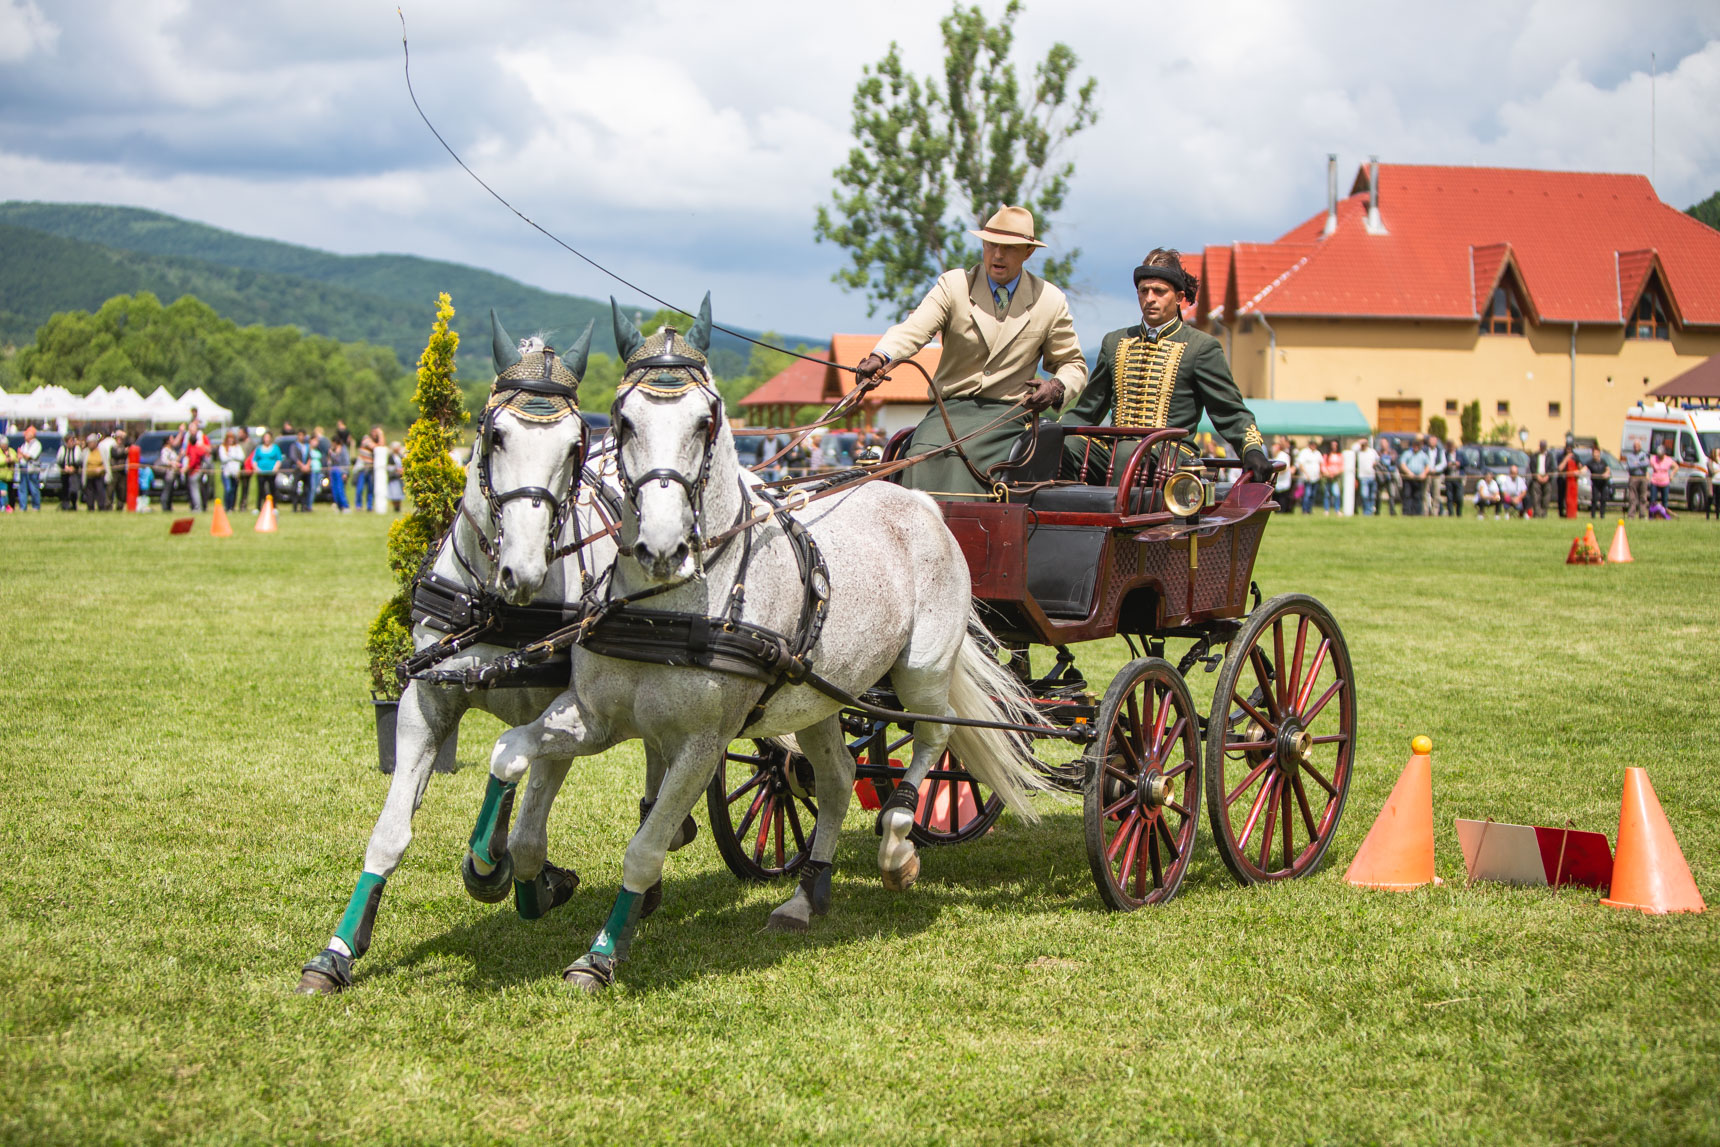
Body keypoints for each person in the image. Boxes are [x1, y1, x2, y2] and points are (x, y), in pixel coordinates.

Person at [852, 205, 1088, 496]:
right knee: (923, 455)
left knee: (960, 458)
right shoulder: (954, 285)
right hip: (949, 412)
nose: (997, 255)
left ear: (1028, 252)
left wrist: (1056, 387)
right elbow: (914, 329)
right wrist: (881, 356)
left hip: (1009, 415)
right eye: (990, 244)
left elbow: (1074, 365)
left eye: (1009, 247)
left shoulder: (1050, 300)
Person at [1057, 249, 1270, 488]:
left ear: (1178, 297)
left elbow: (1229, 411)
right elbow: (1088, 410)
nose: (1150, 298)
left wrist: (1252, 448)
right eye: (1143, 291)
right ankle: (1068, 520)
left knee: (1129, 452)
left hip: (1173, 455)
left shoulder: (1201, 347)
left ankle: (1120, 526)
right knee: (1065, 447)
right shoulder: (1114, 342)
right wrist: (1052, 434)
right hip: (1118, 450)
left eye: (1159, 291)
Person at [251, 431, 282, 509]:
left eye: (268, 437)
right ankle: (259, 507)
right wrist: (256, 468)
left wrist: (275, 468)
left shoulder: (275, 448)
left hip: (271, 472)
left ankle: (273, 506)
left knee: (272, 489)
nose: (267, 439)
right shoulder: (259, 448)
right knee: (260, 490)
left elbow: (279, 459)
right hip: (261, 472)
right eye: (265, 437)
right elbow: (254, 460)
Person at [15, 425, 43, 511]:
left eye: (26, 434)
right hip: (23, 467)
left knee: (34, 488)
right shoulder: (25, 444)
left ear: (31, 435)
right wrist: (20, 455)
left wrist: (21, 453)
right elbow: (21, 456)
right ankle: (23, 507)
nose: (24, 436)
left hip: (33, 469)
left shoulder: (36, 444)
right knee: (22, 488)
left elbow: (29, 456)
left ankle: (36, 506)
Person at [1399, 437, 1429, 515]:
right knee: (1407, 495)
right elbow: (1402, 464)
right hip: (1408, 478)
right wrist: (1409, 472)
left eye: (1418, 445)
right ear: (1412, 445)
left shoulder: (1423, 455)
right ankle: (1406, 513)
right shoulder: (1407, 453)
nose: (1416, 447)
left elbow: (1427, 466)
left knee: (1417, 496)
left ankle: (1417, 513)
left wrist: (1424, 474)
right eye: (1415, 445)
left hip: (1419, 479)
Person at [82, 431, 110, 511]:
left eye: (91, 442)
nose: (90, 444)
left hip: (99, 476)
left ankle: (101, 507)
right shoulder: (86, 452)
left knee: (100, 492)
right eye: (89, 443)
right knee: (89, 493)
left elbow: (106, 462)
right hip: (89, 476)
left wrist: (101, 468)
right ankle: (90, 507)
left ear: (95, 443)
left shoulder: (101, 450)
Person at [1622, 441, 1650, 519]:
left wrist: (1636, 463)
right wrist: (1640, 463)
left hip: (1643, 477)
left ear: (1640, 446)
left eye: (1638, 445)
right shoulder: (1630, 456)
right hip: (1633, 477)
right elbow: (1630, 466)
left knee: (1643, 497)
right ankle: (1631, 515)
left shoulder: (1644, 454)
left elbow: (1647, 463)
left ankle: (1642, 515)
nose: (1636, 447)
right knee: (1632, 497)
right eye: (1635, 446)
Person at [56, 432, 84, 511]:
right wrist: (64, 467)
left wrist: (73, 467)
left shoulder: (77, 449)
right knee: (65, 489)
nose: (72, 443)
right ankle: (65, 505)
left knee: (73, 490)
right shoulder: (62, 449)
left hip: (74, 472)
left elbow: (79, 460)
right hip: (65, 472)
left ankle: (74, 504)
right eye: (70, 441)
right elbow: (59, 460)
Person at [218, 430, 244, 509]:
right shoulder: (223, 447)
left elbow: (242, 457)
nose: (230, 440)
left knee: (234, 489)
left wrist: (231, 456)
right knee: (228, 489)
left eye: (232, 438)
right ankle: (227, 506)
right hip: (226, 472)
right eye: (229, 438)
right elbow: (223, 459)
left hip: (235, 472)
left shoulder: (237, 447)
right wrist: (232, 457)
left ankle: (232, 507)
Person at [158, 431, 184, 511]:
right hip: (168, 474)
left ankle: (169, 506)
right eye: (172, 439)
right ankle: (164, 506)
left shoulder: (171, 450)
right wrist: (171, 463)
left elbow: (175, 460)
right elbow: (164, 461)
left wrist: (180, 455)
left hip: (173, 474)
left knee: (171, 491)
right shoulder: (165, 450)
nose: (173, 440)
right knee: (167, 490)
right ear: (168, 441)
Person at [1294, 440, 1322, 513]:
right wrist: (1306, 474)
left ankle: (1309, 509)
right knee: (1307, 494)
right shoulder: (1304, 452)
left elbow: (1321, 463)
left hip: (1315, 477)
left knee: (1312, 495)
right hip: (1307, 478)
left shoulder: (1317, 453)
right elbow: (1300, 464)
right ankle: (1305, 510)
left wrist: (1320, 473)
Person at [1647, 443, 1676, 516]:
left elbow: (1676, 467)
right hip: (1654, 482)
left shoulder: (1668, 460)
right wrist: (1647, 475)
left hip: (1665, 482)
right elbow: (1646, 466)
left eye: (1661, 455)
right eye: (1658, 455)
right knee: (1653, 500)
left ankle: (1665, 515)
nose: (1659, 457)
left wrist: (1672, 475)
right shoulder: (1653, 459)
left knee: (1665, 501)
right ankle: (1652, 515)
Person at [1423, 434, 1447, 516]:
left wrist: (1435, 469)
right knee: (1425, 493)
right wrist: (1428, 469)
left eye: (1434, 440)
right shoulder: (1424, 450)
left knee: (1436, 494)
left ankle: (1435, 512)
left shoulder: (1441, 451)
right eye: (1431, 440)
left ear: (1436, 442)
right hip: (1427, 474)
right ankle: (1425, 512)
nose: (1432, 442)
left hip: (1437, 475)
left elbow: (1443, 463)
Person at [1529, 440, 1554, 519]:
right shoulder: (1534, 456)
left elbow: (1552, 468)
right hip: (1537, 478)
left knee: (1547, 496)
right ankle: (1537, 513)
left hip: (1547, 478)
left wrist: (1547, 476)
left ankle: (1544, 513)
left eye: (1544, 446)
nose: (1543, 448)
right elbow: (1532, 467)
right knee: (1536, 496)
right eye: (1541, 446)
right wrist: (1537, 476)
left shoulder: (1550, 456)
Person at [1375, 437, 1400, 516]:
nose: (1383, 445)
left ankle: (1392, 511)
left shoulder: (1392, 452)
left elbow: (1393, 462)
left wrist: (1382, 463)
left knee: (1391, 494)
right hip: (1381, 477)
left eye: (1384, 443)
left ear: (1387, 444)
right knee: (1378, 494)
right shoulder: (1378, 453)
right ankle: (1377, 511)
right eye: (1381, 444)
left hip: (1390, 477)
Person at [1319, 440, 1343, 515]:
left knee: (1336, 494)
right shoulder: (1326, 456)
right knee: (1327, 494)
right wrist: (1327, 473)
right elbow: (1323, 465)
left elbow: (1342, 467)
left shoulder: (1340, 456)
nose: (1334, 447)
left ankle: (1337, 509)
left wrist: (1335, 473)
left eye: (1335, 445)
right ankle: (1326, 510)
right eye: (1332, 445)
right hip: (1327, 477)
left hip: (1335, 478)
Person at [1584, 449, 1611, 519]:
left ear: (1599, 453)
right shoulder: (1590, 462)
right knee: (1594, 499)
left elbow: (1608, 470)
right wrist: (1579, 472)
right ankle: (1593, 515)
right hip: (1595, 483)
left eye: (1596, 453)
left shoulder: (1603, 462)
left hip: (1603, 483)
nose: (1595, 454)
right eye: (1593, 453)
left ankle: (1602, 515)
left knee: (1603, 499)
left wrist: (1606, 474)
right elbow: (1584, 469)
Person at [1356, 437, 1379, 515]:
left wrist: (1375, 463)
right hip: (1363, 477)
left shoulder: (1372, 452)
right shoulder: (1358, 452)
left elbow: (1377, 460)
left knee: (1372, 496)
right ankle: (1367, 511)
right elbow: (1353, 447)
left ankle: (1370, 510)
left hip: (1372, 476)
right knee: (1364, 495)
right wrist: (1360, 441)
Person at [354, 429, 375, 512]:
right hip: (363, 469)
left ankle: (369, 506)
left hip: (371, 469)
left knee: (370, 488)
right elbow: (374, 447)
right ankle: (358, 505)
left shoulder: (375, 442)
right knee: (360, 488)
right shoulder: (366, 439)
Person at [1444, 442, 1467, 516]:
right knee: (1449, 497)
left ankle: (1459, 514)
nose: (1451, 448)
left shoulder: (1460, 454)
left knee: (1459, 497)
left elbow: (1467, 462)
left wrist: (1459, 464)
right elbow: (1442, 465)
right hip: (1449, 478)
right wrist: (1447, 465)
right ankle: (1451, 514)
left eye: (1452, 446)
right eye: (1449, 447)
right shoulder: (1445, 454)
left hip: (1458, 478)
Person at [328, 437, 350, 512]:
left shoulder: (343, 450)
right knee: (335, 490)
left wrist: (345, 473)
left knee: (340, 490)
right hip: (333, 471)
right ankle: (339, 506)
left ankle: (345, 506)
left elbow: (346, 462)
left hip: (340, 472)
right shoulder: (332, 450)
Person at [0, 435, 15, 511]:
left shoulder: (10, 450)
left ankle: (7, 507)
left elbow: (15, 458)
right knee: (3, 493)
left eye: (6, 444)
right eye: (3, 445)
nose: (5, 446)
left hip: (8, 477)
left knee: (7, 493)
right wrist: (6, 460)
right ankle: (3, 507)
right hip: (1, 477)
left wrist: (9, 457)